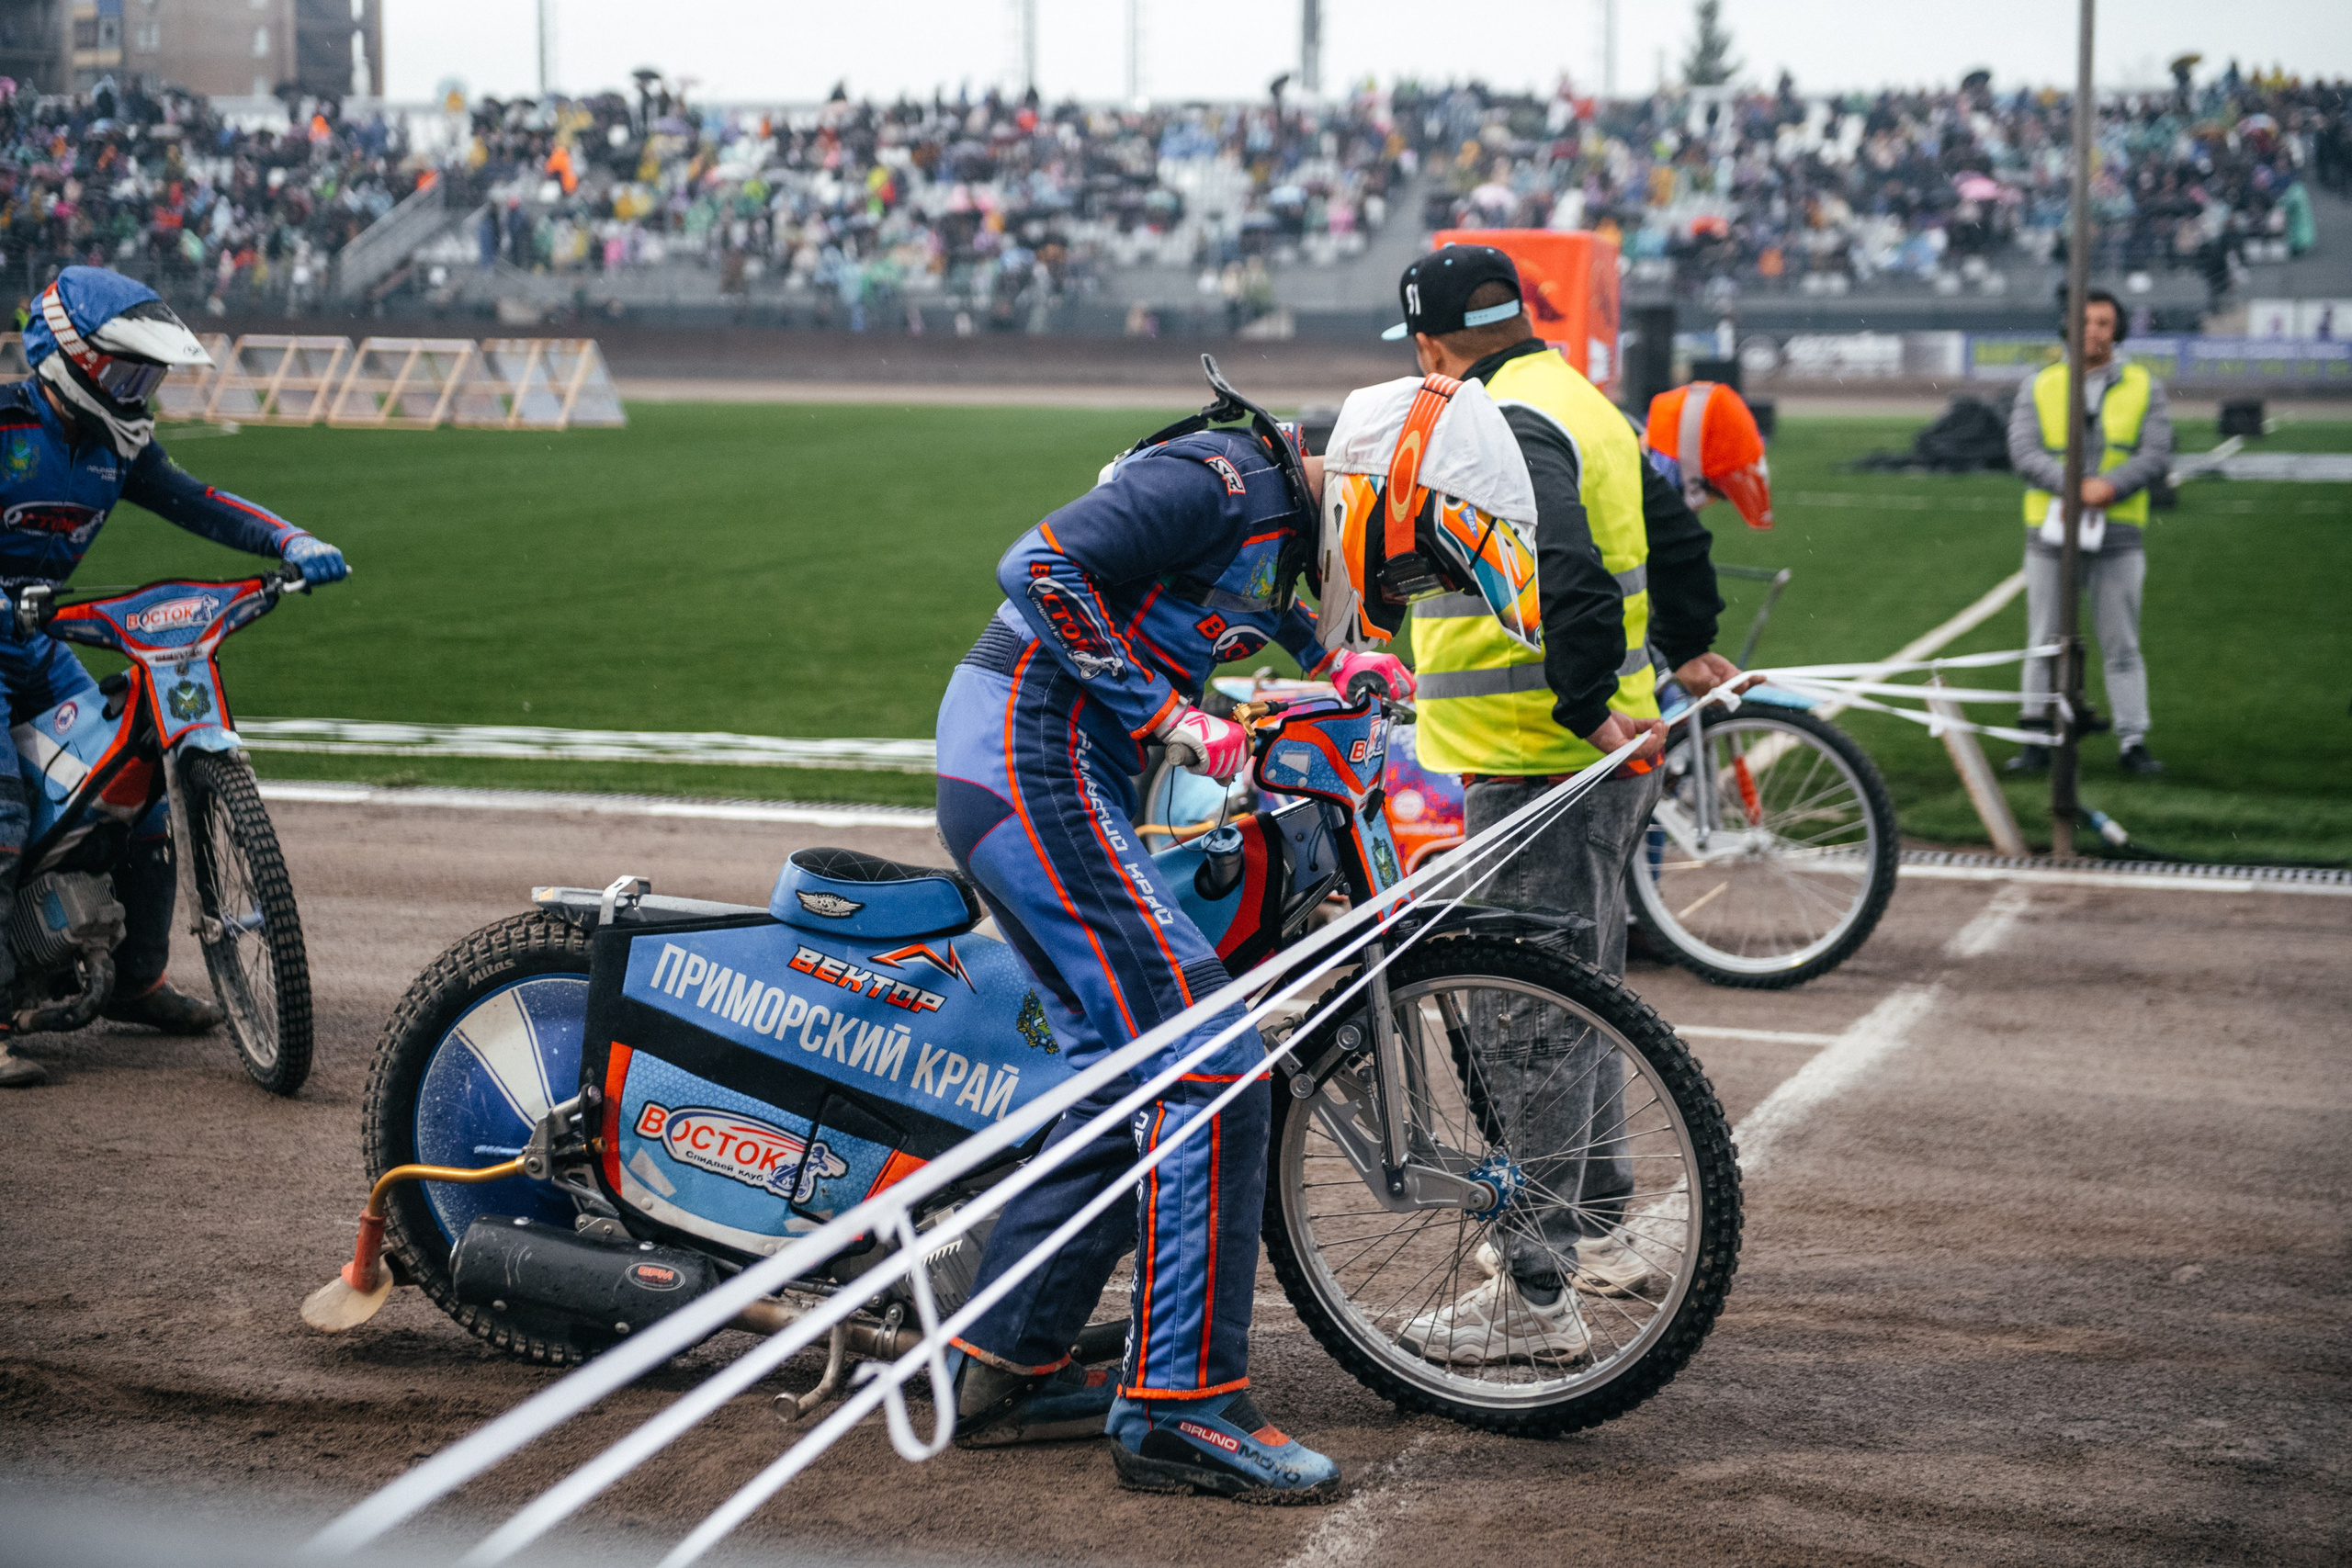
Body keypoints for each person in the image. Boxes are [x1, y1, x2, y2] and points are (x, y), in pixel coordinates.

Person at [932, 361, 1536, 1501]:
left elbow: (1247, 602)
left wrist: (1333, 656)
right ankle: (1179, 1410)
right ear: (1374, 495)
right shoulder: (1223, 477)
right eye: (1414, 559)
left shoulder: (1281, 515)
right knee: (1216, 1068)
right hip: (1030, 760)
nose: (1407, 582)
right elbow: (1040, 563)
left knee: (1137, 1082)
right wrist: (1165, 714)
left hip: (1046, 768)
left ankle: (998, 1365)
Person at [1385, 245, 1745, 1364]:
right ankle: (1588, 1223)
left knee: (1527, 1022)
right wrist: (1684, 646)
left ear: (1431, 346)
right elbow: (1674, 533)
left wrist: (1584, 701)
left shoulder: (1488, 418)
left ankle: (1534, 1295)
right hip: (1589, 753)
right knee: (1578, 991)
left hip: (1538, 751)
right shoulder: (1579, 396)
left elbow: (1563, 563)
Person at [0, 268, 348, 1089]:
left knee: (138, 776)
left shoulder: (120, 444)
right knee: (6, 816)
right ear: (70, 360)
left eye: (146, 377)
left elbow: (197, 500)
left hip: (34, 640)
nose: (136, 392)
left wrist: (289, 541)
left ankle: (136, 979)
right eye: (124, 373)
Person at [2004, 287, 2172, 775]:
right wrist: (2073, 485)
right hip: (2051, 534)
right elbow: (2024, 450)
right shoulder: (2039, 384)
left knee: (2121, 643)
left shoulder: (2145, 386)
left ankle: (2132, 740)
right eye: (2085, 322)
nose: (2094, 331)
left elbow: (2156, 451)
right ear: (2069, 328)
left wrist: (2109, 487)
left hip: (2118, 532)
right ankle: (2034, 736)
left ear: (2116, 330)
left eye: (2103, 322)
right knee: (2044, 639)